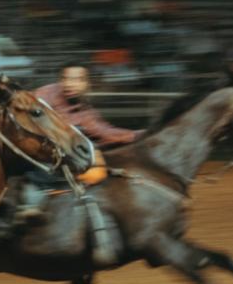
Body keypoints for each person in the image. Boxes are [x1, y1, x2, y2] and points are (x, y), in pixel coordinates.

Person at [16, 61, 140, 222]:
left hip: (63, 151)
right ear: (60, 80)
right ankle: (32, 198)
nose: (69, 84)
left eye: (76, 80)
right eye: (66, 79)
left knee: (90, 149)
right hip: (33, 147)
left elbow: (103, 131)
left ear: (86, 84)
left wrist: (136, 135)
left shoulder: (84, 109)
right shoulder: (44, 95)